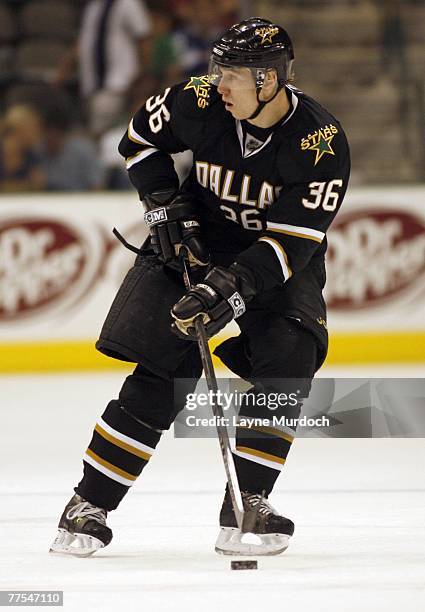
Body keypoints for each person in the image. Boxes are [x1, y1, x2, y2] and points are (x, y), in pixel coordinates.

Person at [50, 17, 350, 557]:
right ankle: (87, 504)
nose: (219, 83)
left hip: (273, 260)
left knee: (289, 356)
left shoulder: (319, 142)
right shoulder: (199, 99)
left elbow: (292, 243)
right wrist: (167, 205)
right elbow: (138, 141)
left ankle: (248, 503)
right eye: (218, 70)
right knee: (165, 369)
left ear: (269, 79)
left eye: (233, 73)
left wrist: (229, 290)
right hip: (198, 241)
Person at [55, 0, 152, 137]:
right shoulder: (94, 6)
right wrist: (64, 69)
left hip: (118, 83)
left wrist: (142, 75)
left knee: (103, 133)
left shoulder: (128, 3)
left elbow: (144, 36)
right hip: (92, 85)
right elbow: (85, 41)